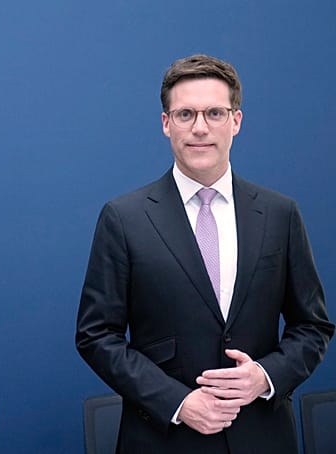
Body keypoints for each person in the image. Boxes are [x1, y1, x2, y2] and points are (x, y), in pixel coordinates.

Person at [75, 54, 333, 453]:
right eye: (185, 114)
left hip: (263, 437)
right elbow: (96, 335)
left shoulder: (280, 214)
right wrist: (176, 402)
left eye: (214, 113)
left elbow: (312, 327)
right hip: (165, 438)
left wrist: (265, 376)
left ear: (236, 121)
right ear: (166, 124)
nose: (200, 128)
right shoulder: (124, 218)